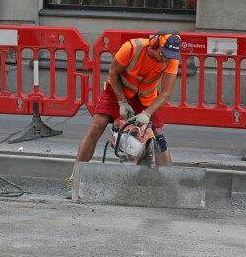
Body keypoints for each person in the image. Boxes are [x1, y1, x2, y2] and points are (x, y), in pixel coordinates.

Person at [68, 31, 181, 194]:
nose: (166, 59)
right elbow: (113, 74)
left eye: (170, 56)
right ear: (154, 44)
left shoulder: (171, 59)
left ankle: (169, 188)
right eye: (164, 54)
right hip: (117, 91)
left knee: (158, 136)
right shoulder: (131, 48)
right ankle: (74, 179)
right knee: (96, 127)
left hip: (146, 97)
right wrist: (122, 102)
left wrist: (147, 114)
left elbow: (166, 93)